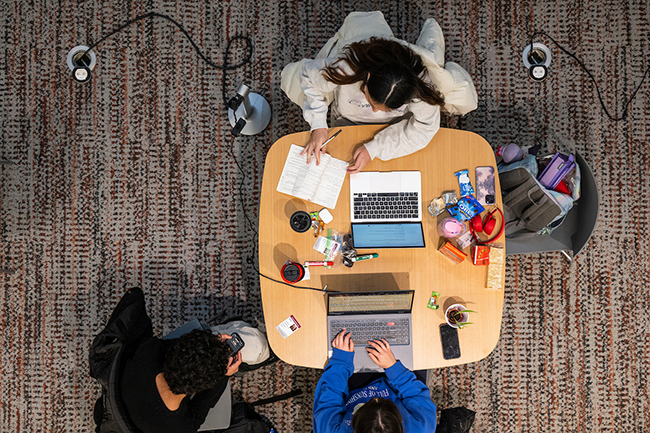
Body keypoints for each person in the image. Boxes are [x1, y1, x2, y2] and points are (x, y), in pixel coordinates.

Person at [299, 37, 445, 174]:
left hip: (394, 126)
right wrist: (318, 123)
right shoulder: (347, 68)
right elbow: (308, 75)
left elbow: (426, 128)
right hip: (348, 121)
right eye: (371, 102)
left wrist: (375, 149)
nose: (375, 111)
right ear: (368, 78)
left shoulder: (420, 88)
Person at [313, 329, 437, 433]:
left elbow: (328, 401)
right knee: (424, 343)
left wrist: (341, 361)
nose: (376, 397)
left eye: (369, 403)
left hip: (355, 388)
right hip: (398, 387)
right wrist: (393, 367)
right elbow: (417, 394)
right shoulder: (423, 427)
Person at [121, 329, 242, 433]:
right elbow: (203, 404)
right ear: (205, 386)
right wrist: (224, 376)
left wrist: (208, 345)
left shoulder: (149, 352)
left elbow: (180, 346)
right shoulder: (180, 427)